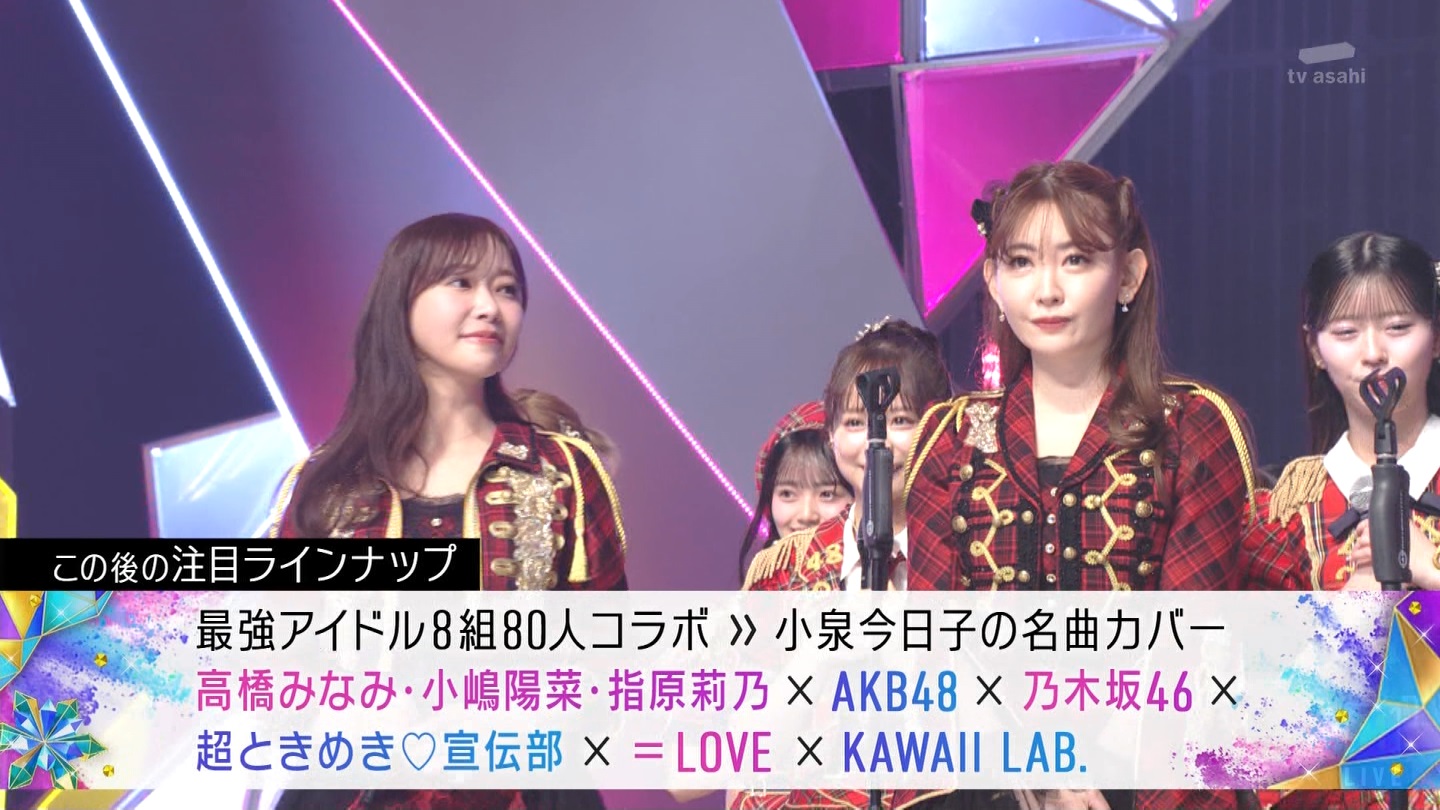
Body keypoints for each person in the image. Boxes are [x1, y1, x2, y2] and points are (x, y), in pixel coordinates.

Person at [903, 161, 1258, 810]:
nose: (1047, 291)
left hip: (1144, 775)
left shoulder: (1190, 425)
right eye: (1020, 262)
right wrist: (1037, 767)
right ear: (993, 281)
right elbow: (934, 644)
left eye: (1075, 260)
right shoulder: (951, 438)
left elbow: (1194, 642)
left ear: (1129, 275)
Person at [266, 213, 624, 810]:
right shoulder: (327, 485)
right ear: (401, 302)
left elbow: (609, 652)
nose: (489, 307)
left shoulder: (562, 470)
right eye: (461, 282)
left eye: (507, 289)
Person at [735, 318, 995, 810]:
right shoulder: (784, 572)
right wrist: (815, 661)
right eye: (856, 423)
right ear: (832, 436)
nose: (877, 443)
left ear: (940, 431)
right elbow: (745, 750)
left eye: (900, 420)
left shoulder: (982, 552)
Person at [1241, 233, 1440, 810]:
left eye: (1398, 327)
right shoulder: (1281, 515)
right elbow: (1260, 745)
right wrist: (1345, 620)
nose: (1373, 353)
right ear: (1314, 348)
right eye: (1346, 332)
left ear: (1436, 337)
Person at [736, 400, 853, 582]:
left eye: (827, 494)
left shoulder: (888, 577)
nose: (806, 515)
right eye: (788, 494)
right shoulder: (761, 587)